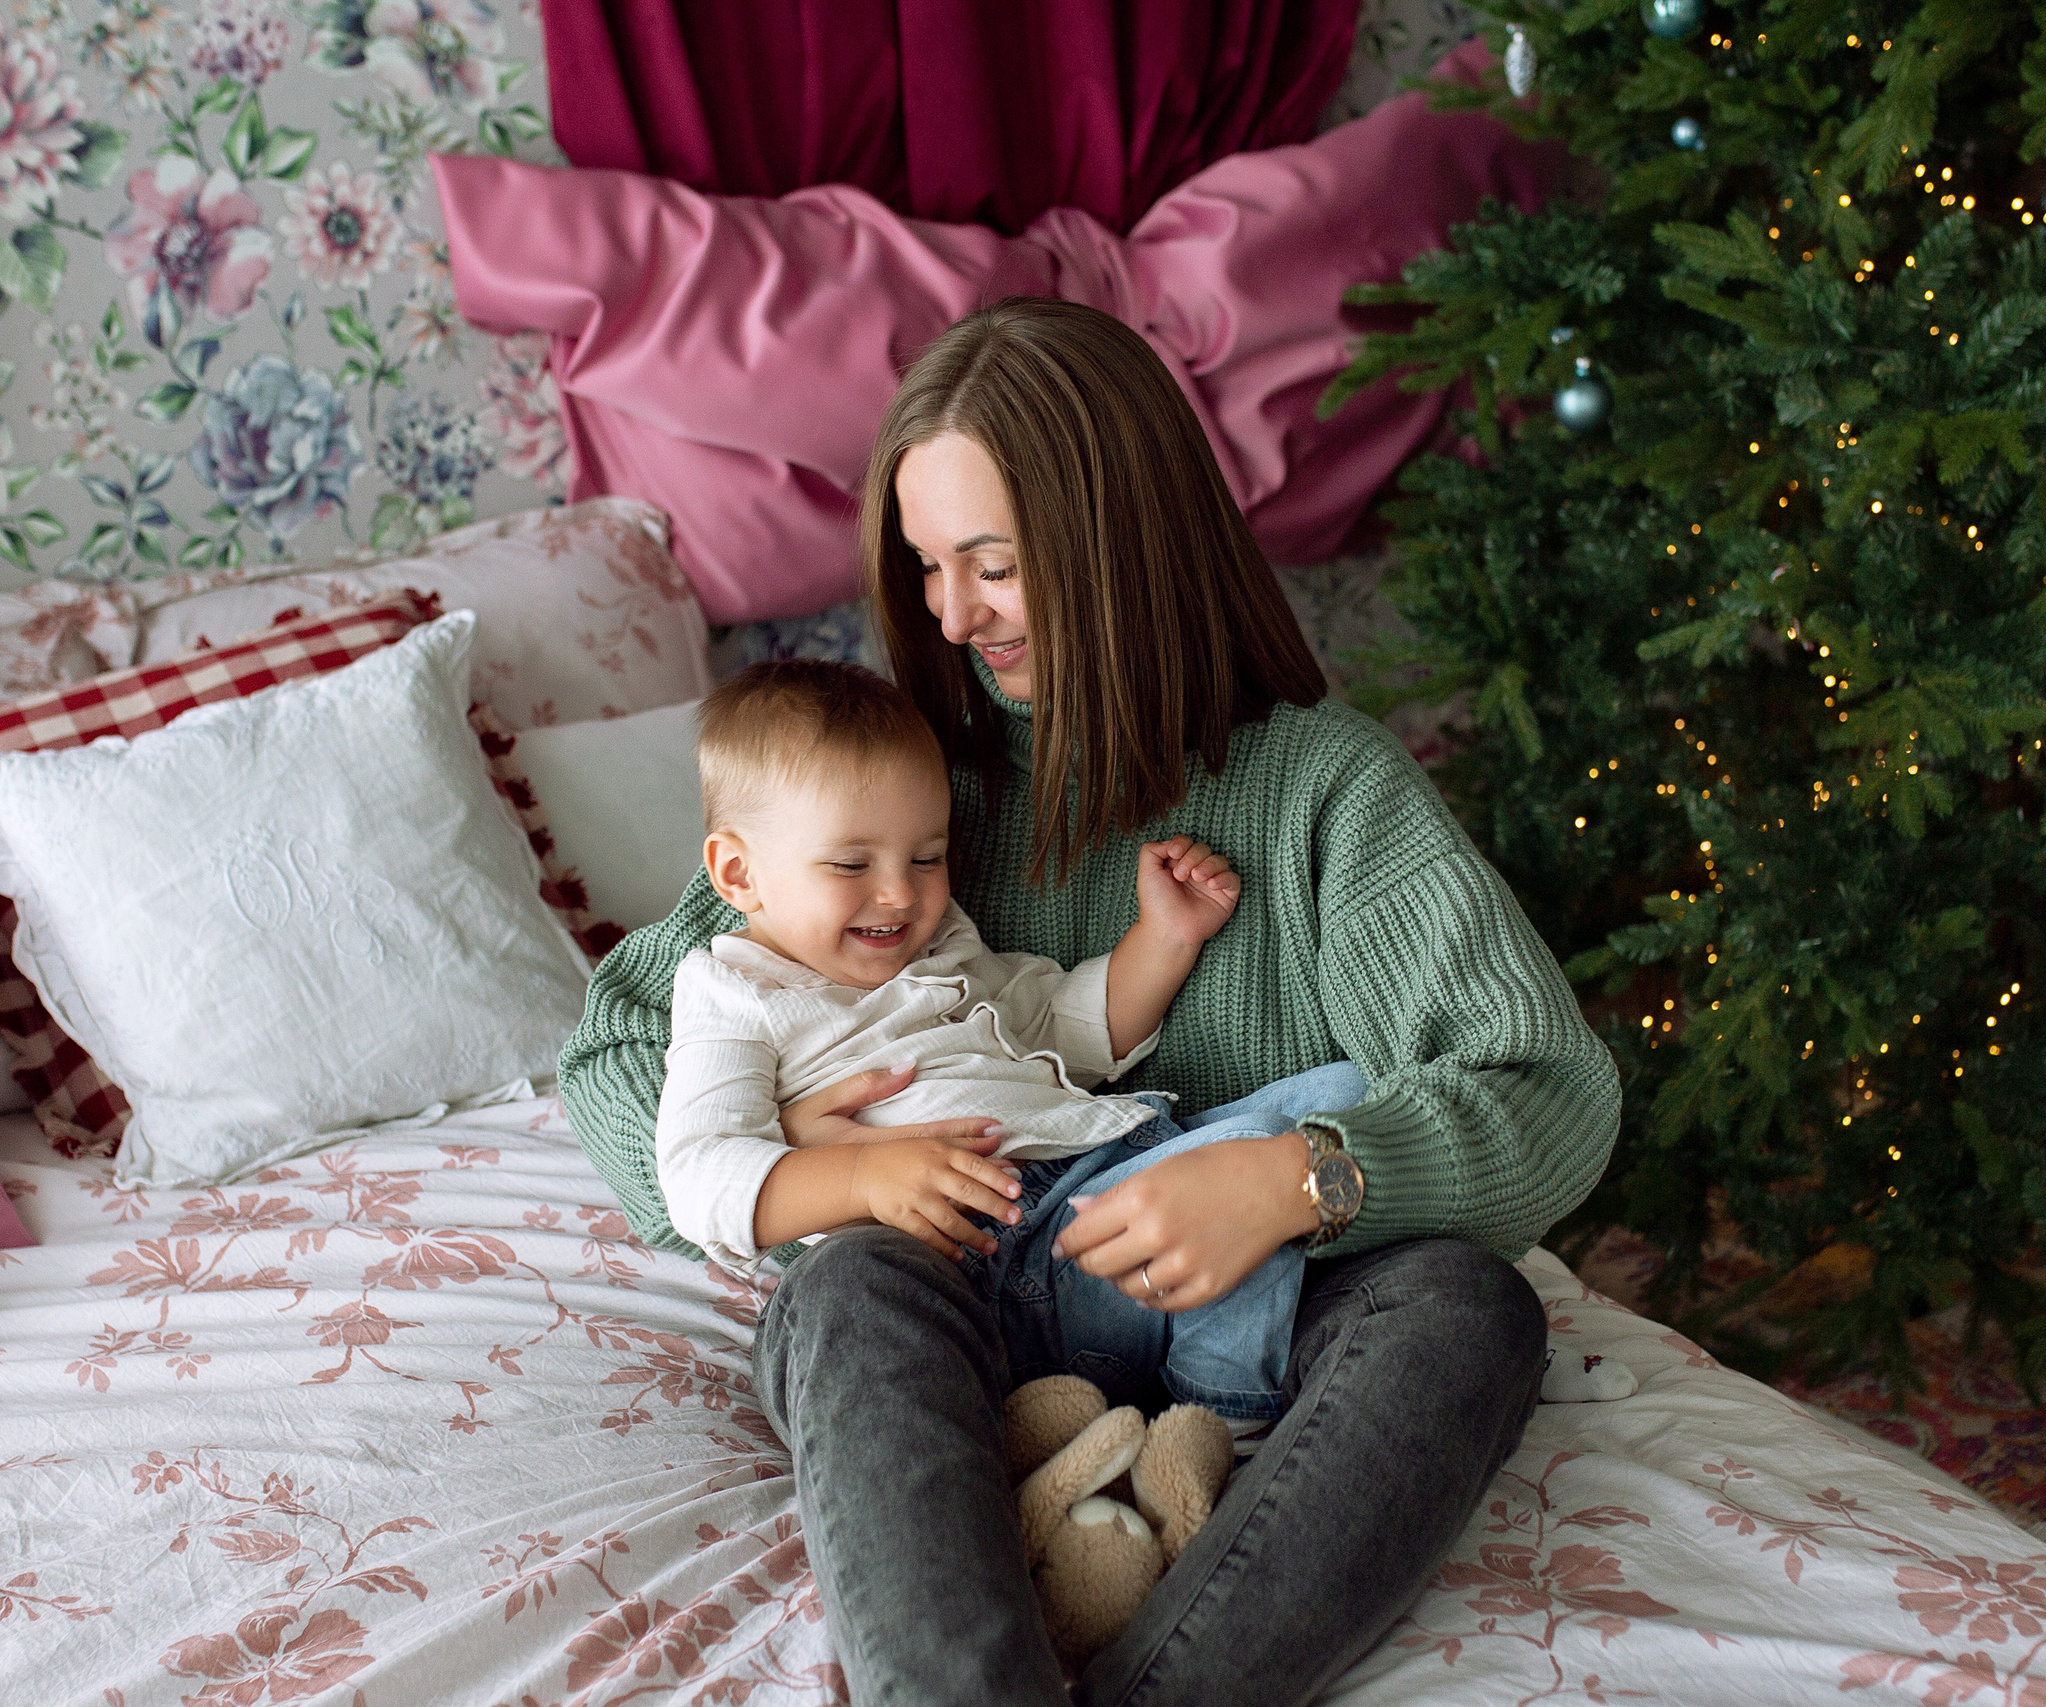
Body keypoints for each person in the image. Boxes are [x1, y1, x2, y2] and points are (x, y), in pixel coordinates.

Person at [559, 297, 1619, 1707]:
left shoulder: (1321, 791)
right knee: (851, 1287)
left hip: (1241, 1304)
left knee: (1470, 1308)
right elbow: (623, 1040)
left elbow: (1548, 1088)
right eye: (930, 566)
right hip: (963, 1286)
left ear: (1123, 544)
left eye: (991, 564)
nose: (947, 613)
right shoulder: (898, 789)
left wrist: (1294, 1179)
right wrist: (809, 1165)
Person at [655, 657, 1365, 1430]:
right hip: (1013, 1250)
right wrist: (859, 1174)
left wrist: (1163, 939)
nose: (900, 892)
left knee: (1342, 1096)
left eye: (927, 856)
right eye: (852, 864)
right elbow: (698, 1172)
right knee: (1257, 1150)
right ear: (738, 872)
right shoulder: (731, 996)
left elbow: (1061, 1029)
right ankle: (1218, 1420)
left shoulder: (941, 943)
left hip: (1105, 1162)